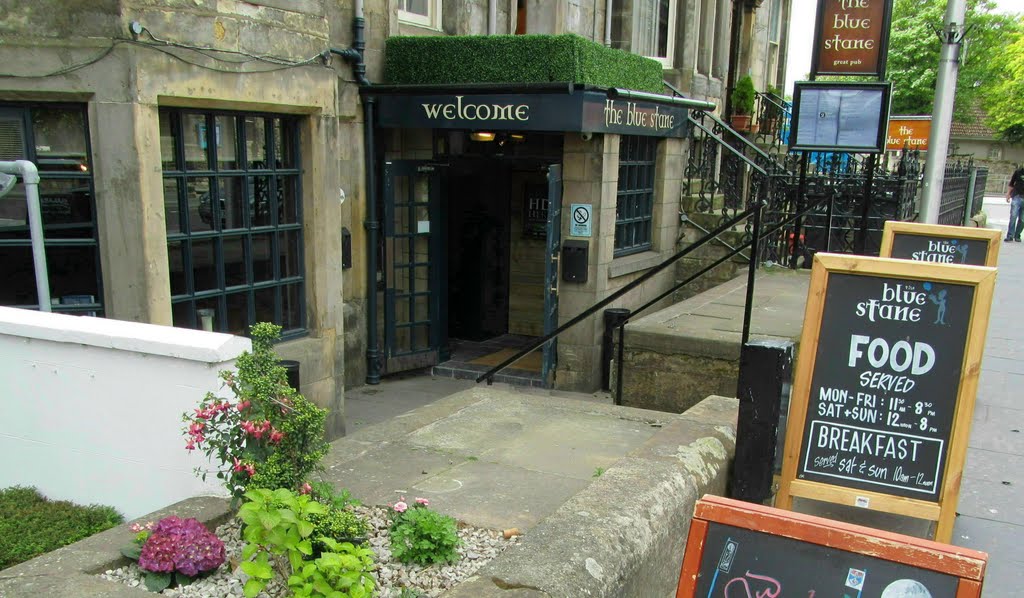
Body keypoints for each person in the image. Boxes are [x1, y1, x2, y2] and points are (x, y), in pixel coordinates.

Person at [1006, 165, 1024, 242]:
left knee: (1022, 219)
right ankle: (1010, 235)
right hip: (1017, 196)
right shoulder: (1018, 172)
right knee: (1013, 216)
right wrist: (1008, 194)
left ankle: (1017, 235)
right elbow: (1011, 183)